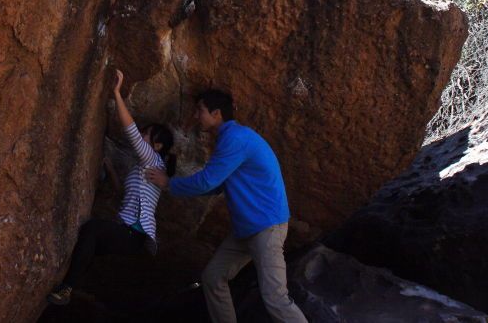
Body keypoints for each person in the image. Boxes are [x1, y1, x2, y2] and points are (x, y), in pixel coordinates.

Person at [146, 89, 307, 323]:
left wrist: (169, 184)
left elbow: (208, 181)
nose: (196, 115)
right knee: (213, 277)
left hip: (266, 227)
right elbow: (217, 185)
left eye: (200, 110)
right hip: (246, 229)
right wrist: (173, 185)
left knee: (275, 297)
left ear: (217, 113)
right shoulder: (228, 138)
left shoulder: (236, 138)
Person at [47, 69, 175, 305]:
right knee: (90, 245)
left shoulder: (154, 161)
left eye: (148, 135)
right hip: (128, 234)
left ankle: (67, 287)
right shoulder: (143, 170)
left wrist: (117, 93)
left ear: (157, 146)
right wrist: (109, 166)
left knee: (93, 229)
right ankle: (72, 284)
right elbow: (122, 194)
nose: (142, 138)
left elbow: (131, 132)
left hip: (134, 234)